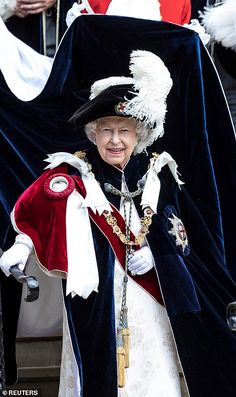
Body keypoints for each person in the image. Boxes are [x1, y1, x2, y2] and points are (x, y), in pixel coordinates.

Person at [1, 48, 236, 397]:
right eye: (106, 130)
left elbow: (184, 234)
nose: (114, 140)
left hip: (150, 300)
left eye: (124, 131)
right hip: (95, 300)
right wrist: (19, 249)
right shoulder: (71, 173)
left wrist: (158, 256)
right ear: (93, 132)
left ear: (137, 136)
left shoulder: (158, 173)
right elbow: (37, 212)